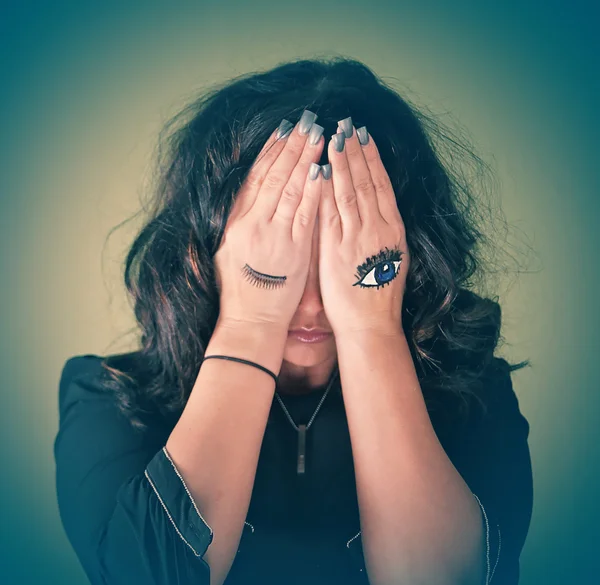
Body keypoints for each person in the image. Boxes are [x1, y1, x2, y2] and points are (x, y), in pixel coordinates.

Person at [54, 57, 533, 585]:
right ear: (204, 250)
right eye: (279, 251)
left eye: (343, 254)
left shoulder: (475, 395)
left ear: (410, 254)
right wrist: (252, 318)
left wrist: (371, 327)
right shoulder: (111, 396)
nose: (310, 302)